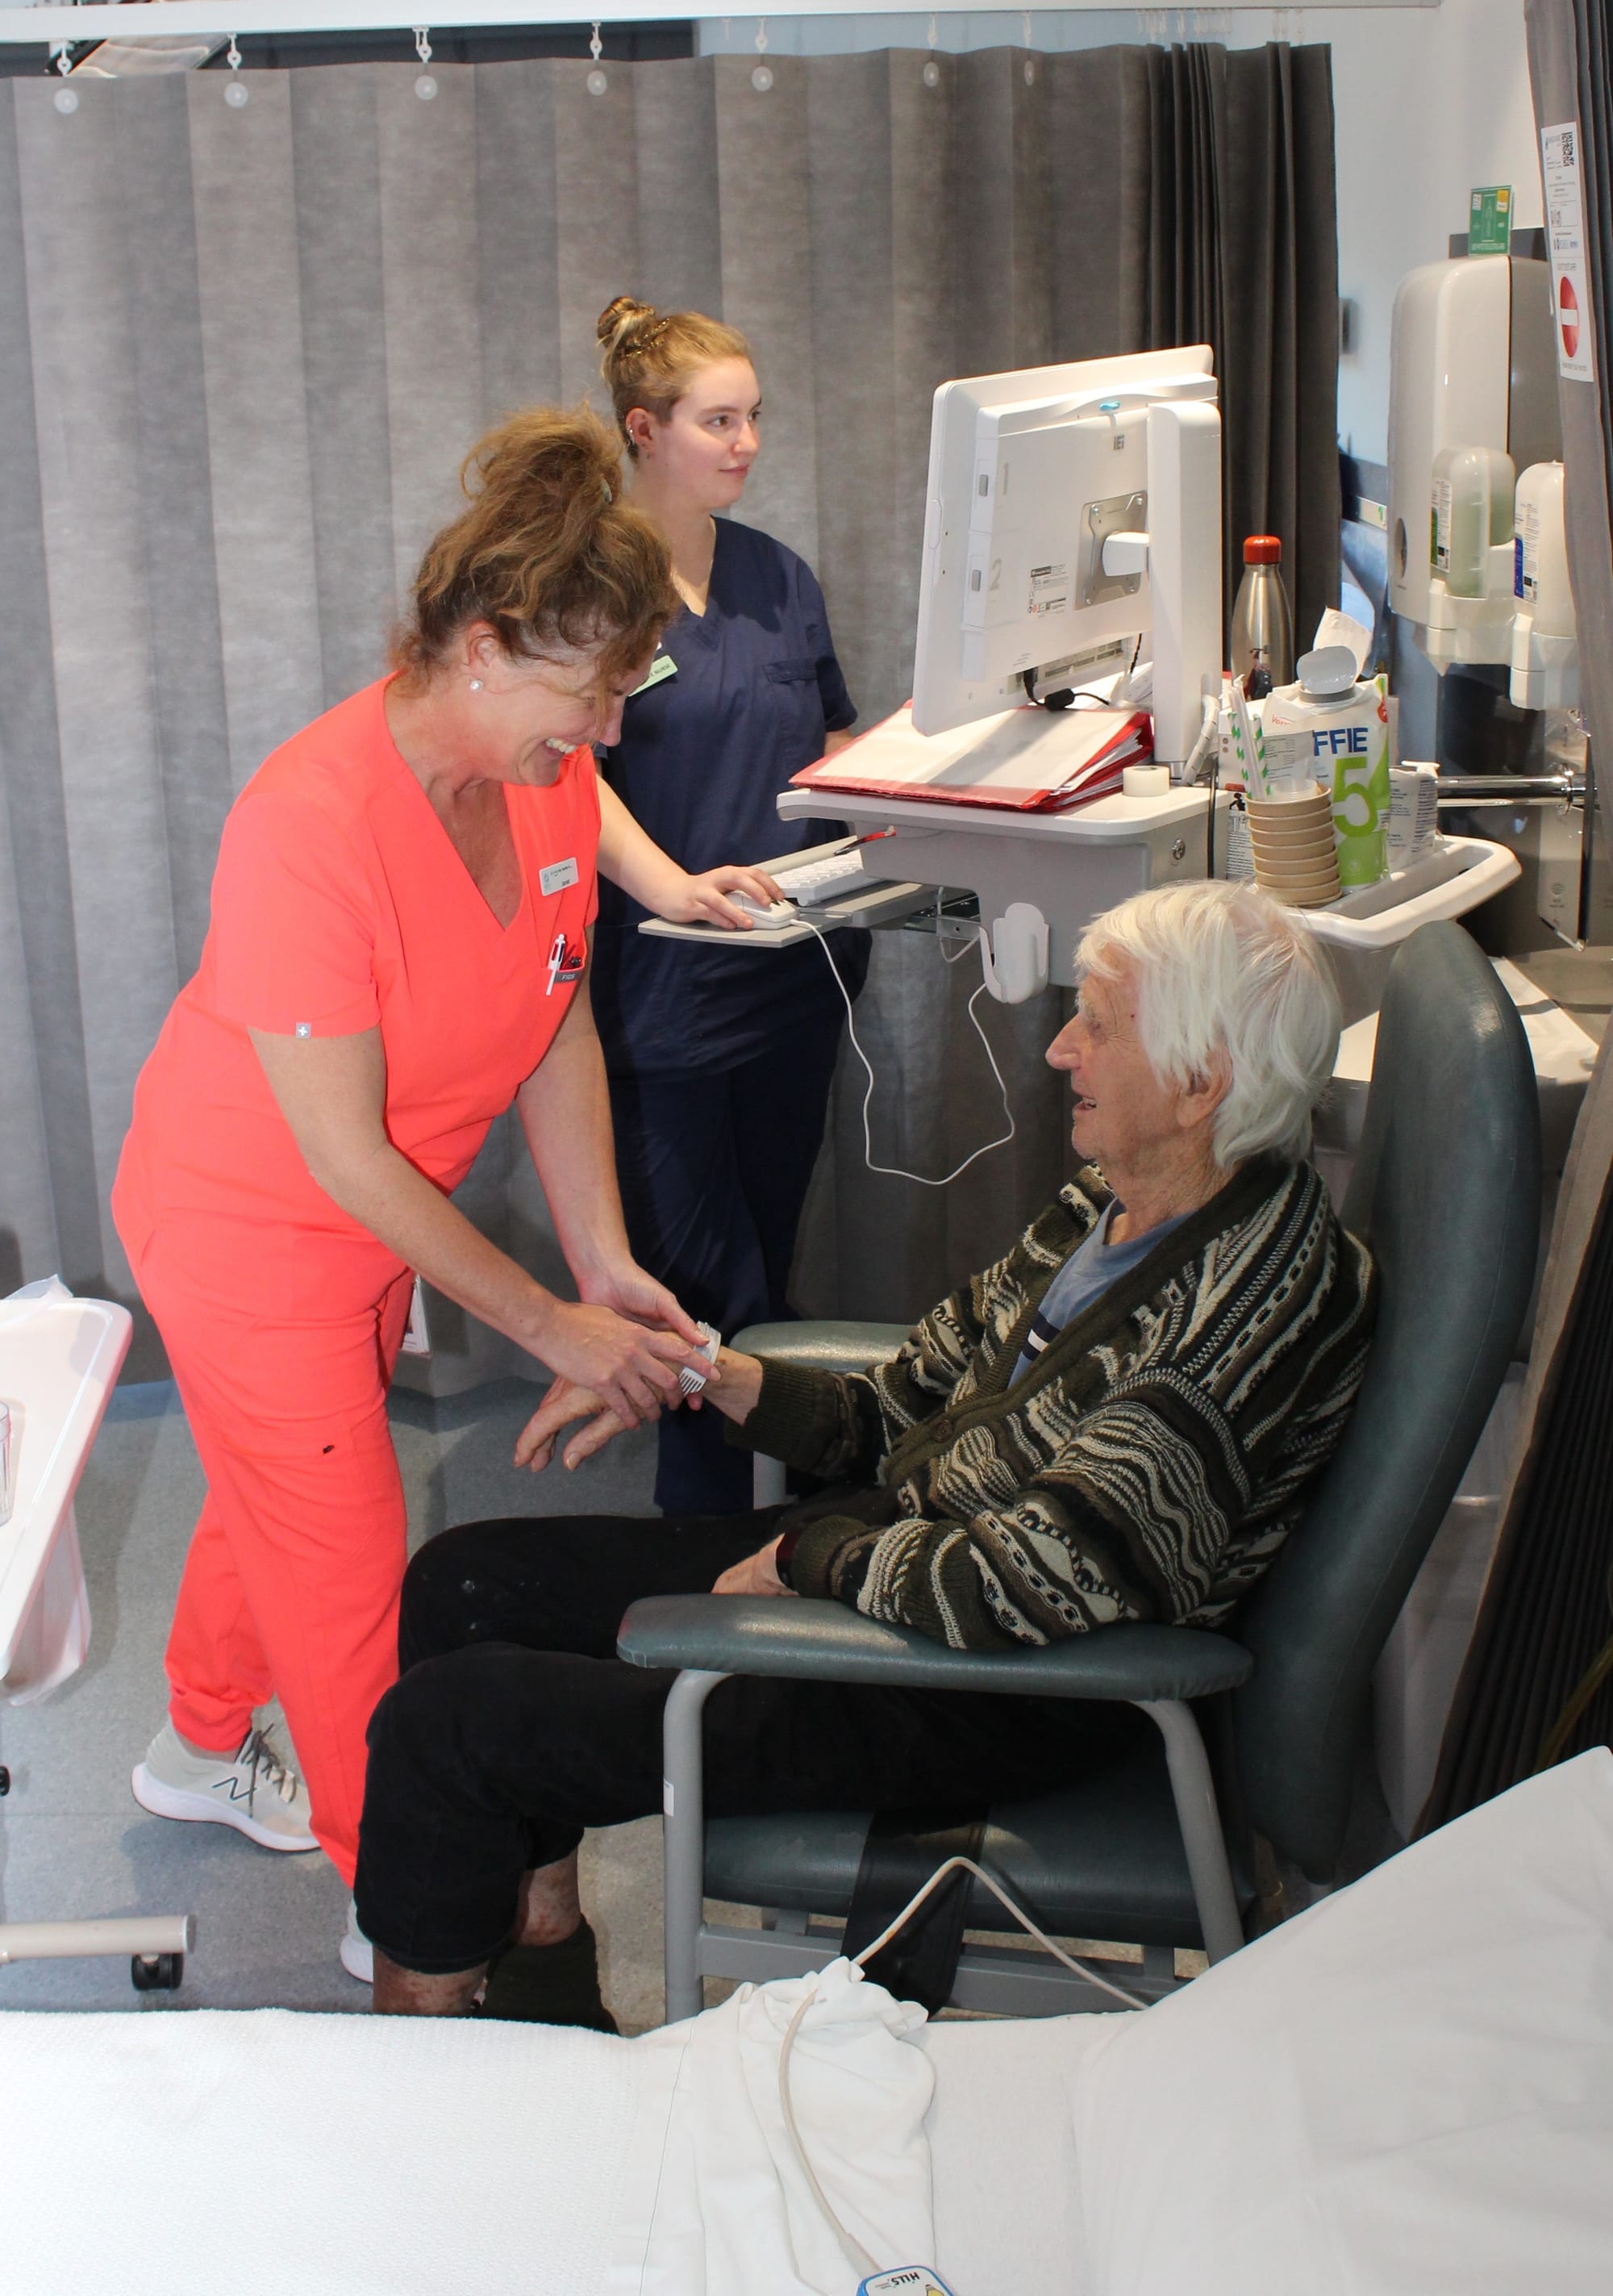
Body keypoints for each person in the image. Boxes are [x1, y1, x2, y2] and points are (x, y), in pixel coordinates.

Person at [352, 882, 1378, 2022]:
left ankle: (425, 2098)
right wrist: (702, 1371)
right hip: (903, 1569)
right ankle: (542, 1979)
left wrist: (810, 1562)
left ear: (1202, 1082)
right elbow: (910, 1394)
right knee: (462, 1587)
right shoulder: (1120, 1200)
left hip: (980, 1682)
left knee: (446, 1731)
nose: (1057, 1049)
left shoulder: (1251, 1309)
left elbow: (1047, 1577)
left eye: (1096, 1023)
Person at [112, 406, 733, 1978]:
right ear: (478, 645)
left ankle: (194, 1744)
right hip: (252, 1222)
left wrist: (597, 1261)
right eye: (585, 696)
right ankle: (395, 1891)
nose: (600, 737)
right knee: (340, 1556)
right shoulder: (306, 825)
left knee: (276, 1482)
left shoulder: (533, 784)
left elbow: (556, 1015)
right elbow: (343, 1155)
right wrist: (544, 1325)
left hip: (376, 1214)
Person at [587, 295, 871, 1517]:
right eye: (718, 420)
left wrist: (895, 805)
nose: (746, 442)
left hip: (797, 980)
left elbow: (834, 731)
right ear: (645, 429)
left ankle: (790, 1525)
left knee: (769, 1258)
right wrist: (670, 887)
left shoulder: (778, 578)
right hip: (667, 999)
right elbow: (558, 772)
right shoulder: (595, 585)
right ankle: (703, 1558)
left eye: (753, 417)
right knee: (704, 1296)